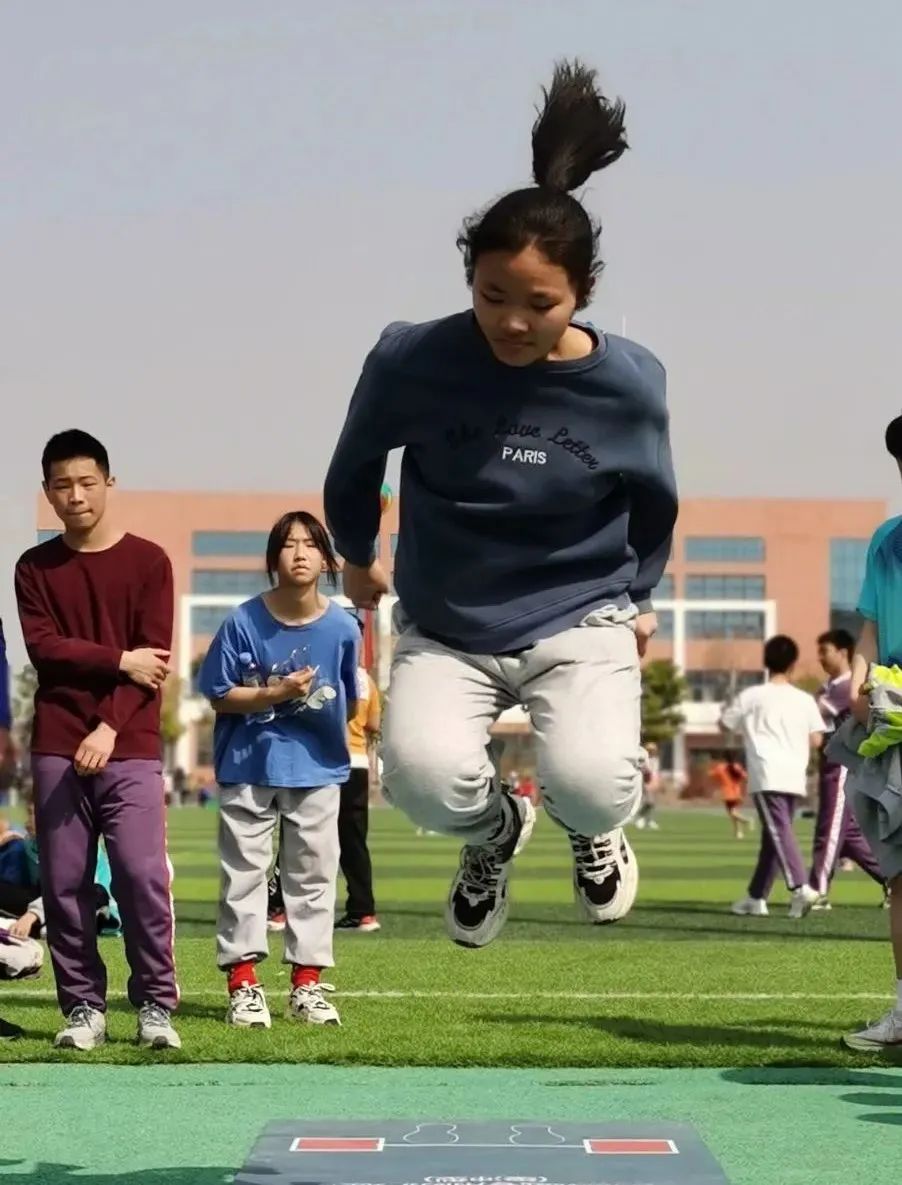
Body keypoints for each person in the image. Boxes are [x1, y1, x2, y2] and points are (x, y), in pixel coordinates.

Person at [324, 60, 677, 946]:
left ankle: (594, 832)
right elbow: (357, 456)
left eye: (539, 304)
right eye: (491, 297)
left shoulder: (629, 384)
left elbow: (654, 501)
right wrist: (356, 549)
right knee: (417, 775)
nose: (513, 322)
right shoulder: (413, 359)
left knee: (596, 779)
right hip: (447, 617)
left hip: (579, 610)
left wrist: (638, 598)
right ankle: (494, 834)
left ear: (581, 295)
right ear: (468, 279)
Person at [14, 430, 179, 1051]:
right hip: (57, 742)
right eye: (63, 485)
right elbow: (46, 651)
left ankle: (156, 1005)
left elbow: (154, 664)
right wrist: (119, 659)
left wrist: (109, 725)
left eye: (87, 483)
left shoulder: (150, 562)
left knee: (139, 875)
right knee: (62, 884)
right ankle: (83, 1007)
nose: (76, 495)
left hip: (129, 742)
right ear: (48, 493)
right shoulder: (34, 568)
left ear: (109, 484)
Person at [198, 511, 359, 1029]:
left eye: (310, 544)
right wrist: (275, 694)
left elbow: (351, 702)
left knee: (313, 878)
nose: (299, 553)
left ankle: (306, 986)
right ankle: (243, 985)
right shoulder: (243, 620)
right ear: (273, 559)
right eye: (288, 544)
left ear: (326, 559)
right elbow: (219, 695)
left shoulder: (342, 627)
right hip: (248, 765)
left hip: (317, 767)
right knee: (243, 876)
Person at [840, 415, 902, 1050]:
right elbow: (869, 627)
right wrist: (859, 686)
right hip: (894, 721)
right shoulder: (887, 540)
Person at [724, 636, 824, 920]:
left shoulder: (752, 696)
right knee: (774, 835)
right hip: (794, 773)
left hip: (767, 772)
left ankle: (800, 886)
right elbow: (817, 739)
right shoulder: (804, 699)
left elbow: (727, 723)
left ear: (765, 662)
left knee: (778, 832)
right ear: (793, 664)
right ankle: (756, 897)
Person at [807, 629, 885, 908]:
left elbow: (814, 714)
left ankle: (817, 890)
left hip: (842, 766)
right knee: (849, 835)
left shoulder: (844, 687)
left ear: (842, 652)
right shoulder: (827, 687)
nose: (820, 658)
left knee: (829, 829)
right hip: (828, 765)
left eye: (824, 651)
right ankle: (893, 878)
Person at [335, 618, 382, 932]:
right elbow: (374, 727)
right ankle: (363, 911)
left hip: (324, 764)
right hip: (358, 763)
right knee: (354, 842)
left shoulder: (325, 670)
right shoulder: (366, 680)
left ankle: (280, 909)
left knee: (301, 837)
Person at [708, 758, 752, 839]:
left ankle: (747, 820)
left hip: (728, 794)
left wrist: (712, 769)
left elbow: (711, 774)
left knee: (732, 813)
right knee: (734, 811)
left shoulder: (721, 767)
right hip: (737, 792)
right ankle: (738, 832)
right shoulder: (736, 767)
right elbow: (744, 776)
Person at [634, 742, 661, 831]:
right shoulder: (644, 760)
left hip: (654, 781)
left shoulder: (656, 760)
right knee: (649, 802)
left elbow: (656, 772)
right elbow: (644, 771)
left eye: (653, 750)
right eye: (650, 750)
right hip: (646, 782)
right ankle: (640, 817)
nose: (652, 752)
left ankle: (649, 820)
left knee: (653, 804)